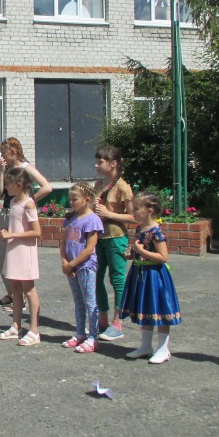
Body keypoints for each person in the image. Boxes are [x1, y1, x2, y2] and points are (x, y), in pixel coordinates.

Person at [121, 192, 181, 365]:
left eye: (136, 208)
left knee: (159, 309)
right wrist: (132, 254)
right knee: (146, 308)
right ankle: (146, 346)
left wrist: (141, 251)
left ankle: (163, 348)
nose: (133, 211)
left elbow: (163, 257)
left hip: (155, 276)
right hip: (141, 273)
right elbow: (141, 250)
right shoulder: (140, 229)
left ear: (150, 210)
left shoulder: (156, 232)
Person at [0, 138, 52, 308]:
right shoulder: (8, 169)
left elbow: (46, 187)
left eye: (3, 152)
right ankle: (12, 294)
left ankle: (21, 298)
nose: (1, 155)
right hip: (7, 212)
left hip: (20, 215)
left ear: (13, 152)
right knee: (2, 258)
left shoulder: (25, 168)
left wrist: (29, 201)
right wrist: (0, 172)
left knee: (16, 257)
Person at [0, 167, 43, 345]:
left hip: (24, 251)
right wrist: (8, 234)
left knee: (29, 290)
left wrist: (12, 235)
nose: (6, 187)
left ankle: (34, 330)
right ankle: (16, 326)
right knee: (15, 289)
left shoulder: (28, 204)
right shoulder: (14, 201)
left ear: (19, 184)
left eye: (9, 184)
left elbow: (37, 232)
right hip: (13, 249)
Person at [93, 145, 135, 342]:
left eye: (100, 162)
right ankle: (102, 318)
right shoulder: (98, 184)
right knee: (95, 277)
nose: (96, 165)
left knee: (117, 279)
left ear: (113, 164)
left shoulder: (123, 187)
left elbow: (133, 217)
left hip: (116, 237)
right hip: (98, 237)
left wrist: (109, 214)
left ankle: (117, 322)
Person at [60, 182, 104, 354]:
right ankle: (80, 333)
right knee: (78, 302)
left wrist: (72, 264)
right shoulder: (70, 218)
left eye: (75, 199)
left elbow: (89, 248)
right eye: (70, 199)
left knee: (90, 302)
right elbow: (63, 243)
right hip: (71, 267)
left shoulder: (92, 219)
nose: (71, 202)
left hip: (85, 267)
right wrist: (65, 262)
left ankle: (93, 337)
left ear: (86, 199)